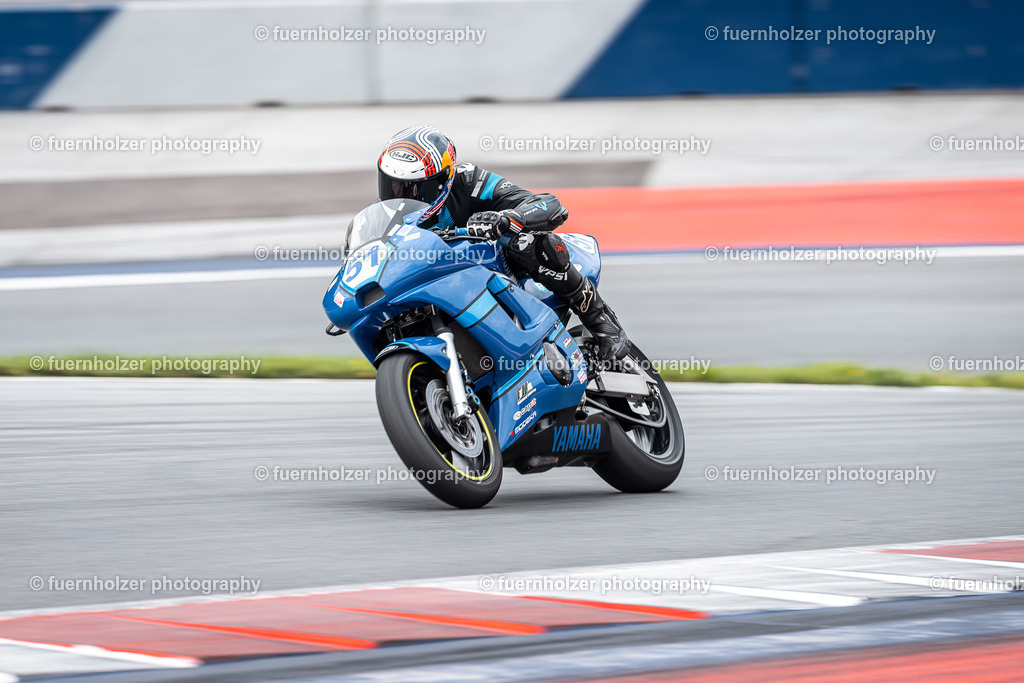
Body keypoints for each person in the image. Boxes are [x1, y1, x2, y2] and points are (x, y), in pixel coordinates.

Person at [377, 125, 629, 361]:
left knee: (526, 241)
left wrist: (508, 218)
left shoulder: (467, 181)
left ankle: (599, 317)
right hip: (438, 287)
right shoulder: (382, 217)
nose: (400, 195)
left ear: (444, 180)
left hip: (491, 271)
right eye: (393, 185)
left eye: (415, 189)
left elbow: (549, 205)